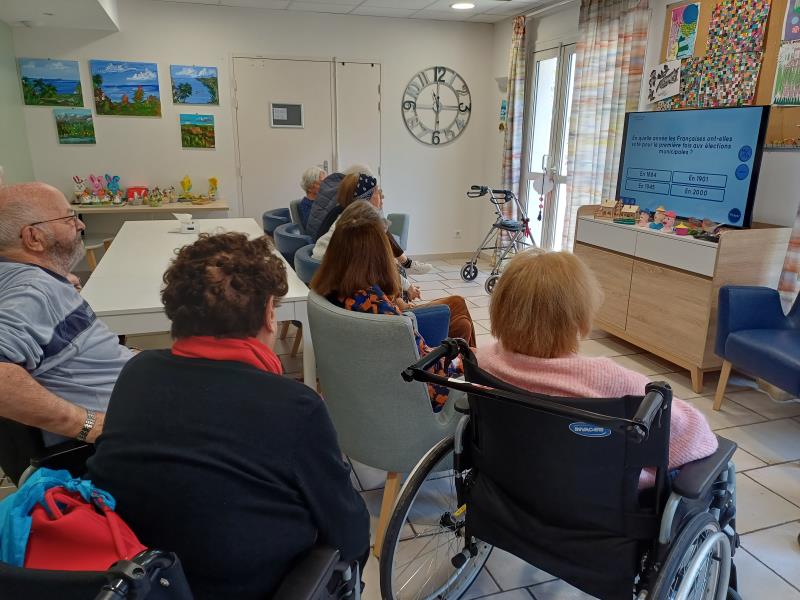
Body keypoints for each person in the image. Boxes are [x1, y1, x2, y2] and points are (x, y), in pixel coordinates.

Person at [87, 232, 369, 599]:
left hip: (141, 581)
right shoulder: (294, 406)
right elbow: (348, 533)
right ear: (269, 315)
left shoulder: (137, 373)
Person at [476, 250, 718, 486]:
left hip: (513, 484)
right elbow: (693, 434)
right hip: (595, 496)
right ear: (578, 316)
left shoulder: (485, 361)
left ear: (500, 308)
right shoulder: (608, 379)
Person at [0, 182, 133, 444]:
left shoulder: (23, 278)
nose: (80, 224)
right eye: (69, 219)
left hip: (131, 390)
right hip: (123, 427)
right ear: (33, 238)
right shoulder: (33, 291)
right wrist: (89, 426)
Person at [311, 202, 474, 411]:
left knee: (462, 324)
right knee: (471, 347)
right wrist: (470, 359)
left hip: (366, 392)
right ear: (378, 253)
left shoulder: (329, 289)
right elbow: (427, 370)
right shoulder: (378, 308)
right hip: (423, 396)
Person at [311, 167, 432, 275]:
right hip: (331, 272)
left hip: (322, 267)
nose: (381, 195)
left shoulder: (346, 211)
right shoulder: (359, 220)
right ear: (366, 197)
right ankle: (406, 264)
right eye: (377, 191)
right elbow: (375, 264)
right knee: (393, 272)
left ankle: (406, 264)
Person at [297, 166, 326, 231]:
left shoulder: (320, 201)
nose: (326, 186)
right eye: (321, 182)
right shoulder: (305, 206)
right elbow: (313, 229)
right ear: (309, 187)